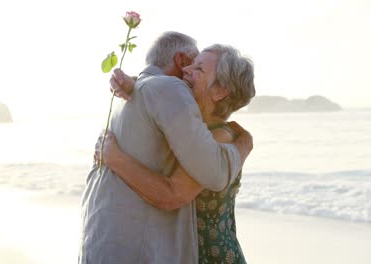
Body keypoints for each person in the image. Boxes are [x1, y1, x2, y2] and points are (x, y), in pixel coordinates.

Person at [79, 31, 252, 264]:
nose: (186, 70)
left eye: (198, 69)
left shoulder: (219, 137)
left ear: (221, 91)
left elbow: (172, 195)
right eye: (190, 64)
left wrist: (115, 157)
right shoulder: (187, 127)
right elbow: (159, 100)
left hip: (214, 257)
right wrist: (136, 84)